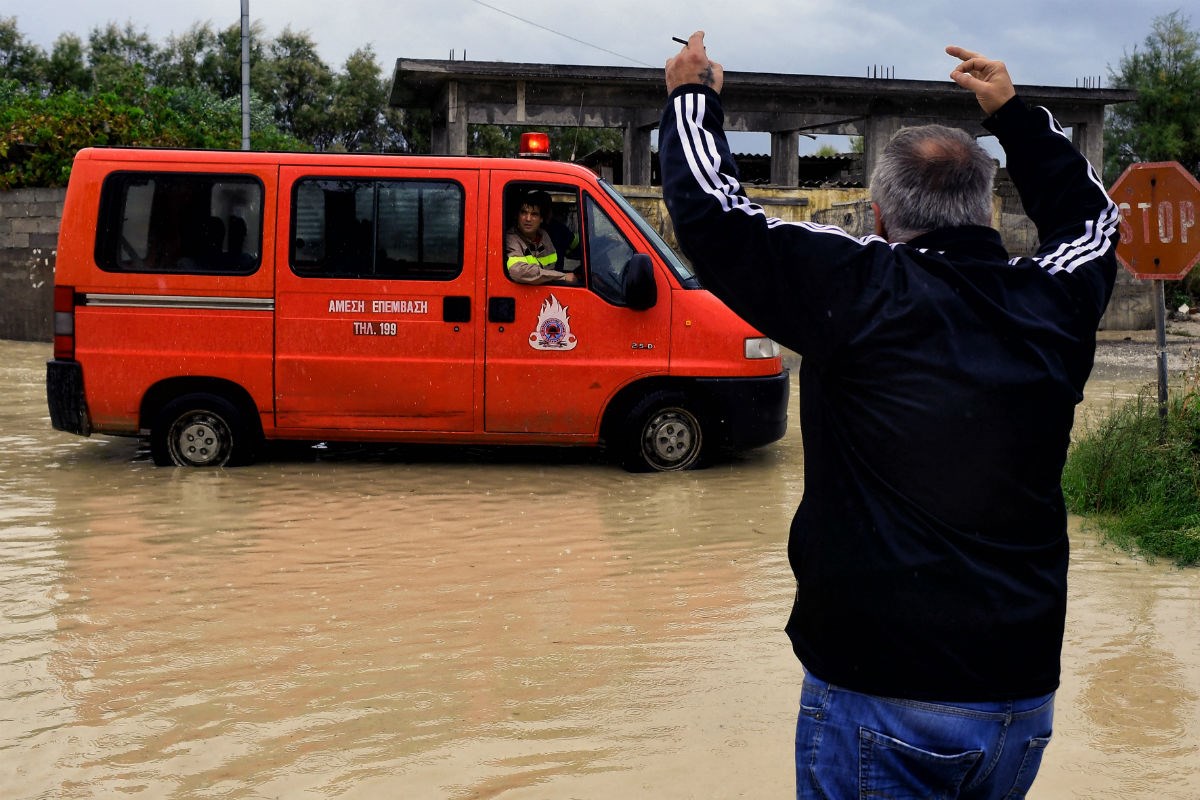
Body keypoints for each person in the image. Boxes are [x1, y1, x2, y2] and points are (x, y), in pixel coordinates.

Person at [660, 32, 1119, 799]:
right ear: (988, 208)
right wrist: (1013, 114)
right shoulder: (1052, 302)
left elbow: (716, 219)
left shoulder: (860, 288)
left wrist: (690, 97)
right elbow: (1097, 226)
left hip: (882, 698)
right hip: (1021, 702)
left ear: (877, 214)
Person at [504, 190, 580, 285]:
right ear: (517, 216)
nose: (528, 219)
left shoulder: (544, 235)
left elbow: (552, 267)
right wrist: (562, 276)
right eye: (524, 213)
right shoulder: (511, 238)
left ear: (541, 219)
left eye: (534, 214)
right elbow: (518, 271)